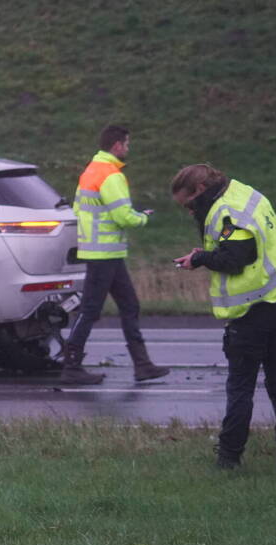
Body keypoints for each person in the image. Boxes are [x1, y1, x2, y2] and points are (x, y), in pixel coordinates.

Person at [171, 164, 276, 471]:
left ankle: (228, 459)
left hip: (253, 310)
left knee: (241, 388)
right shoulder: (243, 192)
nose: (191, 213)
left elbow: (236, 259)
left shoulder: (226, 211)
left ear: (200, 190)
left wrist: (201, 258)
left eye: (190, 205)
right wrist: (207, 252)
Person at [61, 125, 170, 384]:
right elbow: (123, 216)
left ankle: (142, 365)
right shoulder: (110, 174)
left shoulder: (91, 170)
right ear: (117, 145)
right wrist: (142, 218)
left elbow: (80, 208)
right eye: (127, 144)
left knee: (129, 305)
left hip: (104, 251)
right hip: (103, 253)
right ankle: (71, 365)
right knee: (90, 310)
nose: (128, 149)